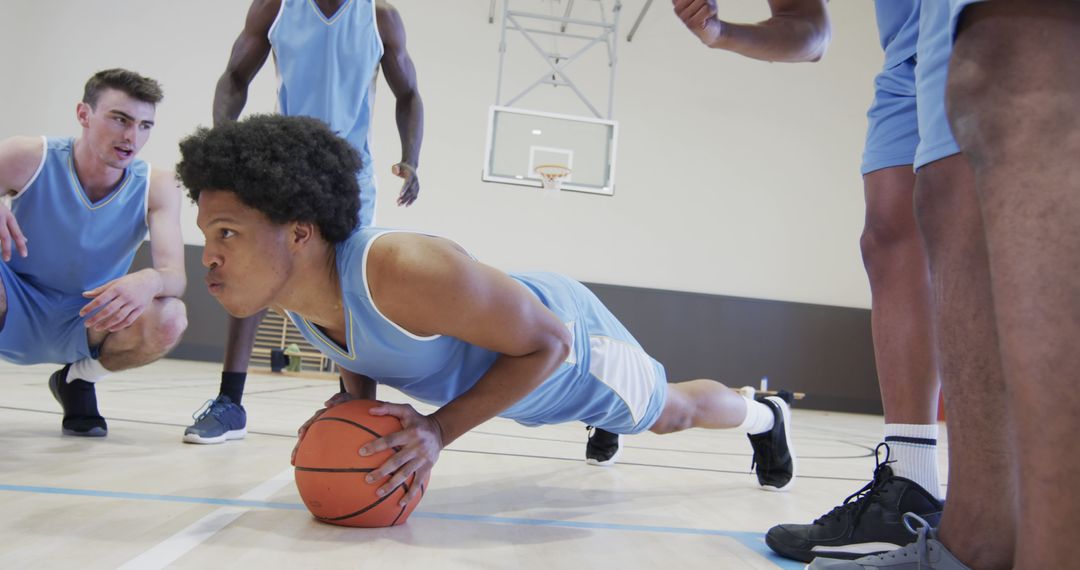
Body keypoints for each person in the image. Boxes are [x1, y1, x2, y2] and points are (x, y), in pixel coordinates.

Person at [177, 114, 797, 497]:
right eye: (206, 234)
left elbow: (549, 343)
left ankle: (763, 415)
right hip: (512, 357)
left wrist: (437, 431)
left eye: (226, 232)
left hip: (569, 350)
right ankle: (602, 421)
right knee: (535, 394)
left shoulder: (403, 269)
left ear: (298, 231)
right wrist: (355, 406)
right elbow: (354, 337)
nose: (209, 254)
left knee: (670, 411)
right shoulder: (290, 285)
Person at [671, 0, 968, 562]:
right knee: (886, 238)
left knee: (968, 233)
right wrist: (719, 32)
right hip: (908, 48)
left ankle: (999, 507)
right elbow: (808, 31)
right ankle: (911, 485)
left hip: (966, 22)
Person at [811, 1, 1080, 568]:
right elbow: (803, 26)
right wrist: (721, 30)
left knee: (1015, 66)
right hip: (909, 30)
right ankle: (973, 538)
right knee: (933, 200)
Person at [185, 0, 424, 444]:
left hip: (349, 174)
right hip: (282, 162)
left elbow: (408, 94)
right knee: (250, 272)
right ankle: (230, 402)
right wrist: (223, 146)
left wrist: (412, 159)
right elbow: (235, 77)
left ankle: (353, 407)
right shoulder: (274, 7)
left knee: (348, 289)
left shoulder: (378, 15)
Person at [0, 68, 188, 437]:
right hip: (13, 298)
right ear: (84, 114)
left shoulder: (158, 186)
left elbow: (176, 277)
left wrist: (150, 279)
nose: (132, 136)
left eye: (145, 125)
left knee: (170, 317)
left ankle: (78, 381)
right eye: (120, 119)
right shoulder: (27, 156)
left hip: (88, 315)